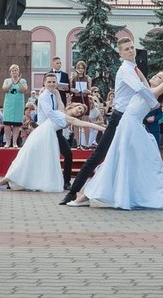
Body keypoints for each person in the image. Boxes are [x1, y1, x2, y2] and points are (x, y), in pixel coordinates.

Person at [67, 71, 163, 209]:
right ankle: (92, 195)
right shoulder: (146, 89)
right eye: (156, 75)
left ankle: (87, 196)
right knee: (116, 162)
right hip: (125, 127)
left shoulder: (154, 93)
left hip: (131, 129)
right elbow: (141, 75)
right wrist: (133, 64)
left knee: (115, 161)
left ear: (162, 84)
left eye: (160, 78)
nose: (156, 77)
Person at [59, 38, 153, 205]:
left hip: (130, 119)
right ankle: (73, 193)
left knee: (130, 156)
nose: (131, 51)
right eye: (127, 49)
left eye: (132, 48)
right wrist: (154, 103)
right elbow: (139, 89)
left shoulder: (135, 69)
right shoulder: (126, 69)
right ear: (121, 53)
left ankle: (130, 194)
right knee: (99, 154)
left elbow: (142, 87)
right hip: (119, 118)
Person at [0, 103, 106, 192]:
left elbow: (85, 124)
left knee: (33, 160)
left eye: (82, 112)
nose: (80, 111)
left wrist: (103, 128)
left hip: (48, 138)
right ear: (72, 106)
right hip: (40, 135)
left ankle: (7, 182)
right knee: (24, 159)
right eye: (79, 108)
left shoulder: (71, 120)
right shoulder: (60, 112)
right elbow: (48, 106)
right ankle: (3, 182)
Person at [2, 64, 28, 148]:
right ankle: (7, 142)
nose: (14, 72)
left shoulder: (23, 81)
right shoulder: (7, 80)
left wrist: (18, 82)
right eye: (12, 70)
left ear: (18, 72)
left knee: (17, 125)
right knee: (7, 124)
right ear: (10, 73)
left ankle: (14, 142)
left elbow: (23, 90)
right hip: (9, 105)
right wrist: (12, 82)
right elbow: (4, 89)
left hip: (18, 106)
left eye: (16, 70)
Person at [69, 60, 92, 148]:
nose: (81, 70)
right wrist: (73, 90)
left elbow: (90, 91)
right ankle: (78, 143)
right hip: (76, 99)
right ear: (76, 69)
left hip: (84, 99)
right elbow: (70, 89)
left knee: (85, 121)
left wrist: (87, 91)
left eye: (82, 68)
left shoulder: (88, 78)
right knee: (76, 122)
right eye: (79, 68)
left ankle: (87, 143)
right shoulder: (73, 78)